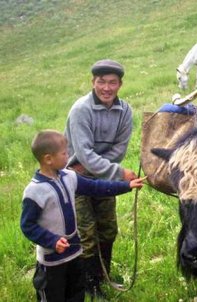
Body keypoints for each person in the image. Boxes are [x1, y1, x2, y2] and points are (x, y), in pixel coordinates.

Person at [20, 130, 145, 302]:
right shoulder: (34, 191)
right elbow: (28, 225)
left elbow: (96, 187)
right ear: (48, 159)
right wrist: (52, 241)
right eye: (64, 153)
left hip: (74, 254)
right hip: (52, 262)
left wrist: (126, 185)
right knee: (53, 296)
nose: (69, 156)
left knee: (76, 294)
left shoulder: (70, 177)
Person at [64, 59, 138, 297]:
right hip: (76, 178)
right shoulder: (81, 110)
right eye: (101, 82)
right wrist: (118, 173)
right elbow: (83, 154)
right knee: (86, 233)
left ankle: (103, 273)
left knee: (108, 230)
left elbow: (120, 150)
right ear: (93, 82)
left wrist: (101, 168)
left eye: (112, 83)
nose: (107, 88)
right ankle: (90, 283)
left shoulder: (125, 111)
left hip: (100, 176)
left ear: (120, 84)